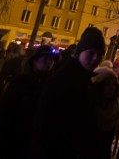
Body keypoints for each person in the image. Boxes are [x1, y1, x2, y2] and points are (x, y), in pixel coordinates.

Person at [28, 26, 106, 159]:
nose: (95, 58)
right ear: (79, 52)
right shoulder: (63, 80)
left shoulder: (85, 80)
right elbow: (44, 127)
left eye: (100, 54)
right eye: (91, 52)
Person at [0, 44, 56, 159]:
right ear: (35, 62)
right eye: (45, 59)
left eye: (51, 60)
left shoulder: (52, 86)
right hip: (14, 139)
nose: (49, 62)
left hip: (36, 145)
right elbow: (4, 110)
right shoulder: (21, 82)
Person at [91, 66, 119, 159]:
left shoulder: (115, 107)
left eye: (114, 85)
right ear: (99, 85)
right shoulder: (89, 106)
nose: (112, 88)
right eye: (107, 84)